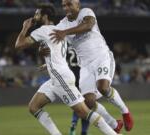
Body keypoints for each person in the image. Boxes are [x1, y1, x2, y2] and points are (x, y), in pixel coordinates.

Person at [15, 5, 121, 135]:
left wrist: (25, 27)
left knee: (83, 112)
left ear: (45, 16)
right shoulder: (59, 30)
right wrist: (45, 60)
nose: (34, 16)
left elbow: (19, 45)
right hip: (55, 78)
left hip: (61, 78)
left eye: (37, 14)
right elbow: (56, 53)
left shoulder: (42, 30)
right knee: (34, 107)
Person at [50, 0, 133, 134]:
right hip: (85, 66)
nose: (66, 8)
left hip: (102, 57)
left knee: (103, 87)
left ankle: (125, 112)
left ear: (77, 4)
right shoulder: (62, 24)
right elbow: (57, 45)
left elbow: (88, 25)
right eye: (64, 5)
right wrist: (50, 60)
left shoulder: (86, 12)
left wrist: (65, 32)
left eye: (69, 4)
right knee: (88, 102)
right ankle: (114, 124)